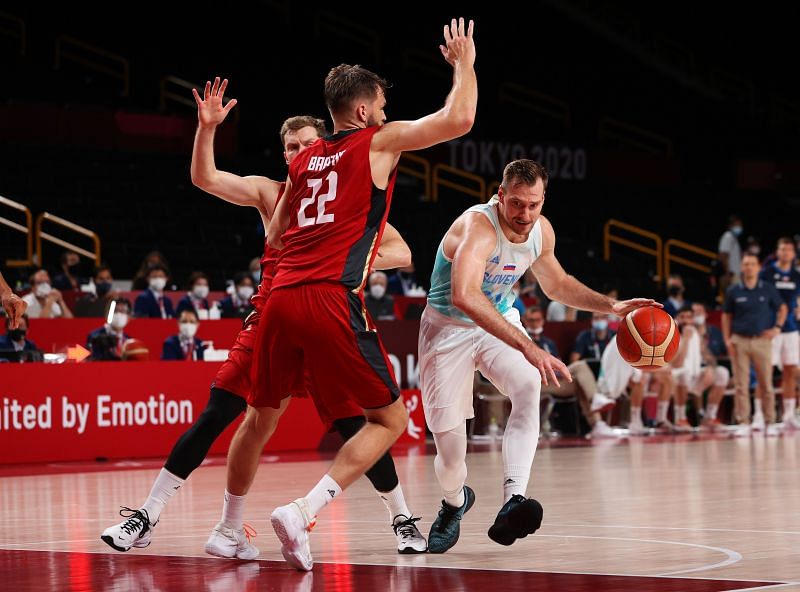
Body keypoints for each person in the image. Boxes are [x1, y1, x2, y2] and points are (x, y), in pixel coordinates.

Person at [101, 95, 419, 557]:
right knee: (226, 416)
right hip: (272, 320)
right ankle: (164, 519)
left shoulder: (345, 197)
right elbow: (204, 177)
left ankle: (401, 517)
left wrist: (347, 265)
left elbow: (403, 252)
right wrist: (207, 127)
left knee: (357, 423)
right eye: (289, 147)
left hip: (323, 315)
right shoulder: (272, 192)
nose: (296, 154)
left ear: (325, 146)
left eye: (305, 144)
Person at [253, 18, 477, 571]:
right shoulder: (375, 140)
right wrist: (465, 65)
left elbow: (276, 234)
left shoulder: (303, 159)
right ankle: (303, 510)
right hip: (330, 297)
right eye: (378, 106)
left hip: (280, 298)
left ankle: (235, 523)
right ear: (361, 113)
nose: (382, 113)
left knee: (267, 417)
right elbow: (460, 118)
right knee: (392, 422)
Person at [419, 158, 658, 554]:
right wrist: (528, 345)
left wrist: (610, 306)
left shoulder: (540, 231)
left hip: (497, 319)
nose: (524, 214)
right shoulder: (478, 227)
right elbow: (465, 295)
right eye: (516, 203)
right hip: (448, 328)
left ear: (543, 200)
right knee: (450, 455)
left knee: (530, 383)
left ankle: (514, 497)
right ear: (500, 196)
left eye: (533, 204)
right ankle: (454, 502)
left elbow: (557, 282)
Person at [525, 306, 617, 437]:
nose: (535, 323)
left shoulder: (549, 343)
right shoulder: (524, 341)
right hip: (536, 380)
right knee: (579, 366)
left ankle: (597, 424)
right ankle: (595, 400)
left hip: (554, 379)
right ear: (525, 321)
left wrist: (553, 371)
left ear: (542, 321)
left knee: (579, 384)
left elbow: (558, 363)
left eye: (537, 320)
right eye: (531, 320)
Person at [722, 253, 786, 437]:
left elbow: (782, 308)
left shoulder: (767, 289)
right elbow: (726, 316)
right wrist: (727, 339)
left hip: (762, 340)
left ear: (758, 267)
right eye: (746, 264)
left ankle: (770, 421)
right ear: (742, 268)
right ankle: (744, 421)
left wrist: (777, 328)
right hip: (739, 340)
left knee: (766, 383)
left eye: (752, 264)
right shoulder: (734, 290)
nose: (749, 267)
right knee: (741, 384)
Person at [759, 237, 800, 429]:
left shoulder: (796, 275)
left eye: (789, 250)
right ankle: (759, 415)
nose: (785, 253)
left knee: (790, 372)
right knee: (765, 373)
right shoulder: (767, 273)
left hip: (791, 330)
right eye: (782, 249)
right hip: (770, 329)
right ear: (778, 252)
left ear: (793, 253)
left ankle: (789, 416)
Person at [670, 304, 730, 431]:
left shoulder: (696, 333)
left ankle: (709, 417)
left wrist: (710, 368)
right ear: (677, 319)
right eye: (682, 317)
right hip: (675, 376)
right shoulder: (671, 334)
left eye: (689, 317)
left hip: (694, 376)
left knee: (722, 373)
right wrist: (685, 340)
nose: (686, 320)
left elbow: (706, 357)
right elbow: (676, 365)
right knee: (683, 374)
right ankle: (680, 418)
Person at [718, 215, 743, 295]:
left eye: (740, 225)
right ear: (730, 226)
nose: (739, 227)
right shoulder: (727, 237)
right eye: (737, 225)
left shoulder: (733, 238)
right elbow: (723, 256)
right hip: (731, 274)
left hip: (736, 274)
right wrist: (727, 273)